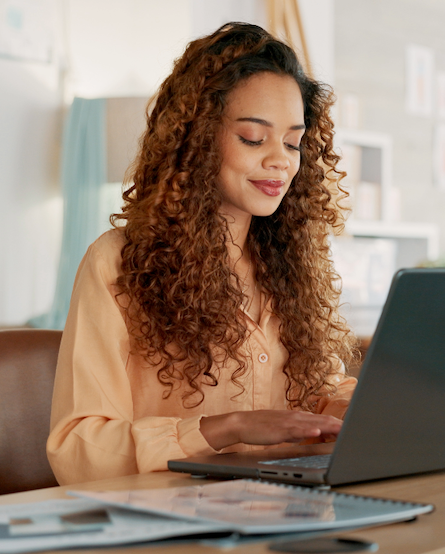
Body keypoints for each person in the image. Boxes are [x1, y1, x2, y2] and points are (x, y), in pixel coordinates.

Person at [47, 23, 356, 485]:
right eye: (254, 137)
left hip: (285, 512)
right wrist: (224, 429)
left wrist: (361, 409)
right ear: (197, 139)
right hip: (171, 526)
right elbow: (76, 448)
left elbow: (323, 394)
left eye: (293, 142)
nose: (281, 160)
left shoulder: (293, 267)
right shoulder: (118, 263)